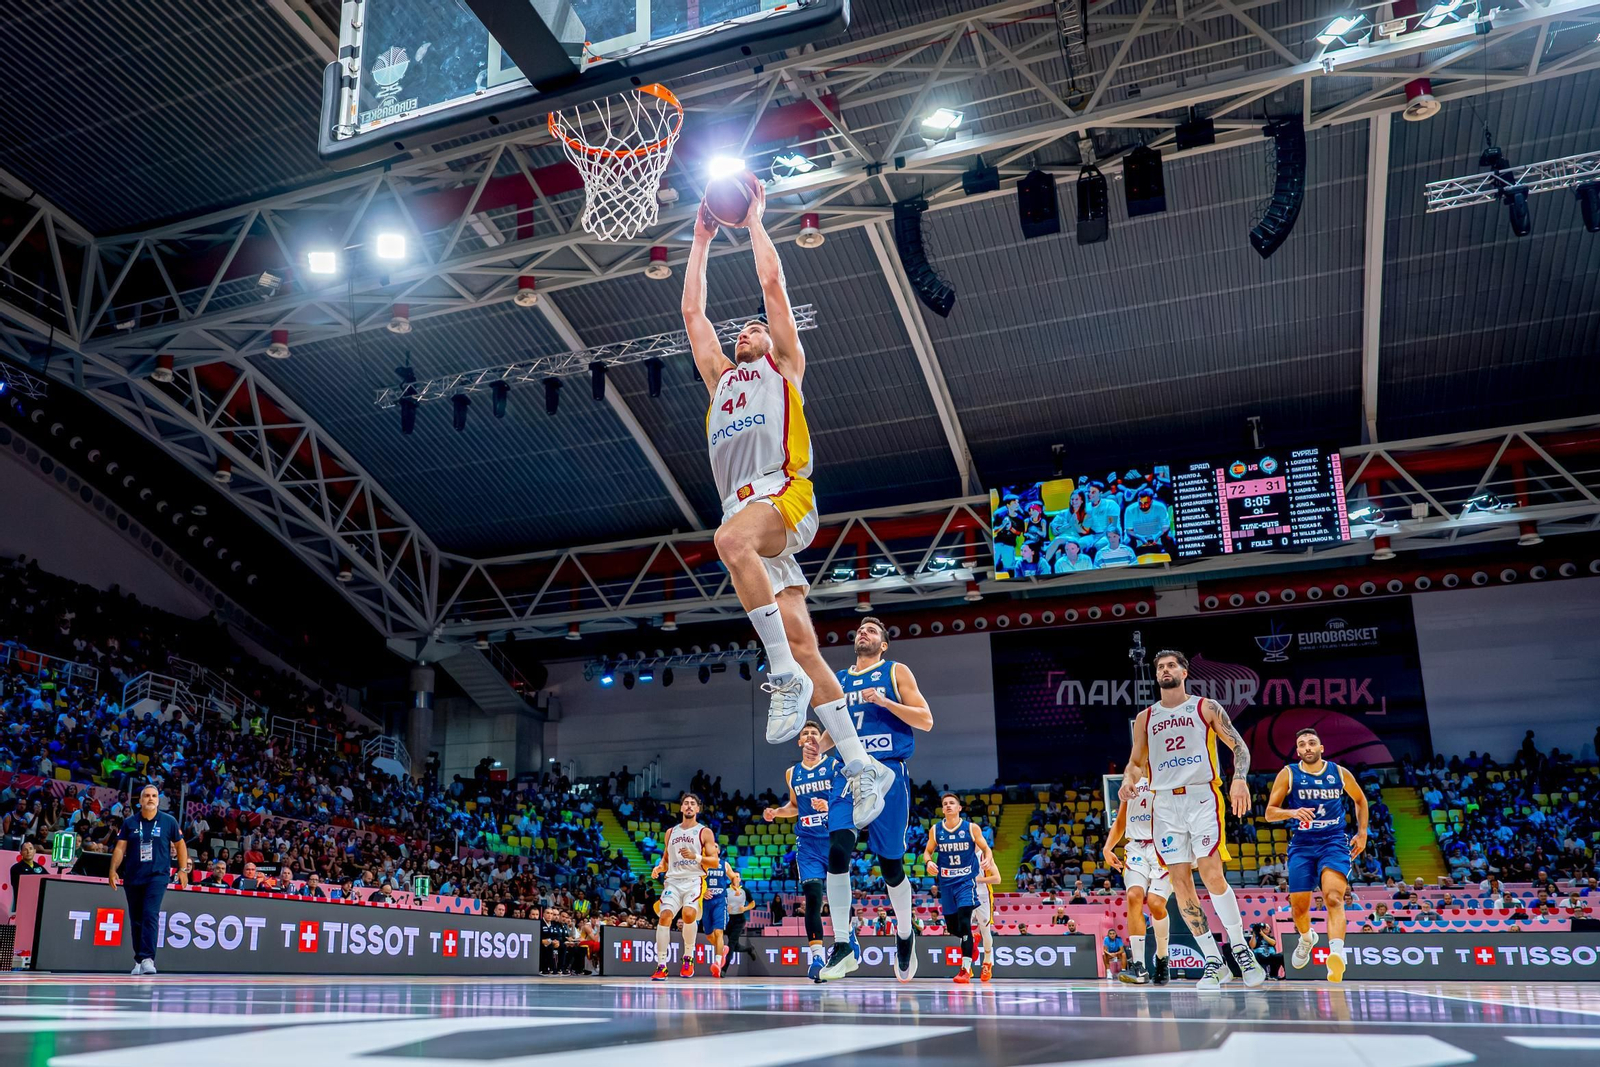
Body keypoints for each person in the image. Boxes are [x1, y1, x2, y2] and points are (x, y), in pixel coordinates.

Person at [683, 189, 893, 830]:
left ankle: (779, 674)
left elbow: (772, 279)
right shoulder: (720, 379)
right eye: (739, 330)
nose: (745, 332)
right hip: (745, 513)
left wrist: (751, 224)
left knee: (728, 544)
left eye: (753, 328)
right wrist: (699, 240)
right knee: (807, 647)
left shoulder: (785, 366)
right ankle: (863, 767)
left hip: (782, 496)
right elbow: (693, 312)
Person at [1119, 649, 1265, 991]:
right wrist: (1128, 779)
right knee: (1181, 885)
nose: (1165, 670)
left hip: (1201, 796)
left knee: (1212, 875)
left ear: (1184, 672)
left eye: (1171, 665)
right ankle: (1214, 961)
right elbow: (1135, 762)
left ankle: (1242, 950)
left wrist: (1239, 777)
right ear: (1156, 675)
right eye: (1160, 667)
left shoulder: (1205, 707)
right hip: (1164, 804)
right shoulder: (1145, 717)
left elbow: (1239, 746)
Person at [817, 617, 933, 983]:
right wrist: (815, 748)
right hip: (849, 772)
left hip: (887, 773)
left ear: (883, 644)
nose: (862, 633)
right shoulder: (840, 679)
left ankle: (903, 931)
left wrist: (884, 702)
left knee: (891, 867)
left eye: (871, 631)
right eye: (859, 630)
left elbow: (926, 719)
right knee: (837, 850)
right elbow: (834, 730)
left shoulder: (896, 671)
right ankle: (842, 946)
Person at [1264, 727, 1369, 983]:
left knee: (1334, 897)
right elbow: (1269, 812)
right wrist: (1292, 812)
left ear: (1322, 748)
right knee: (1299, 909)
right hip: (1302, 845)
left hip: (1334, 841)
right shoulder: (1288, 773)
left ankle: (1336, 955)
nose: (1308, 747)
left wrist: (1363, 833)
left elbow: (1360, 800)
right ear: (1298, 751)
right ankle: (1306, 937)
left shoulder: (1339, 773)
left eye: (1312, 742)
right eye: (1302, 744)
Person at [763, 721, 853, 982]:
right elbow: (794, 806)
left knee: (837, 896)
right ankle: (816, 956)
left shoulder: (834, 765)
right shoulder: (792, 773)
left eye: (815, 732)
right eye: (806, 734)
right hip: (808, 843)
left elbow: (849, 798)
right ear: (800, 742)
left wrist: (829, 804)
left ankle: (847, 936)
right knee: (812, 898)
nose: (811, 736)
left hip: (833, 836)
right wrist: (777, 812)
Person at [108, 784, 189, 976]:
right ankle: (138, 959)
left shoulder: (169, 821)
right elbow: (120, 848)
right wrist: (112, 870)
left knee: (150, 914)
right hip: (133, 876)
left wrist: (183, 869)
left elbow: (181, 845)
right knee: (136, 919)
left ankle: (147, 958)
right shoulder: (129, 822)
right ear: (140, 800)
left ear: (158, 800)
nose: (150, 799)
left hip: (157, 876)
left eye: (154, 796)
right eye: (146, 796)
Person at [1103, 768, 1172, 985]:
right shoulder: (1130, 778)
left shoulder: (1167, 772)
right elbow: (1121, 820)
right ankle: (1139, 966)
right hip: (1136, 848)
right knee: (1133, 896)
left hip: (1165, 847)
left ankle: (1162, 957)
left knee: (1155, 904)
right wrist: (1107, 848)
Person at [922, 792, 996, 985]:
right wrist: (928, 861)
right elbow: (927, 851)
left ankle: (965, 969)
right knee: (953, 927)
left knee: (964, 923)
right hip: (946, 883)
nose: (948, 806)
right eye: (945, 803)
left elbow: (986, 848)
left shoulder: (971, 828)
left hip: (966, 882)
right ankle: (972, 939)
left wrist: (988, 857)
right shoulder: (936, 830)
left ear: (959, 808)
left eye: (952, 803)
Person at [649, 793, 717, 981]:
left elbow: (714, 862)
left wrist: (695, 857)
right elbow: (666, 858)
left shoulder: (704, 832)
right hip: (673, 881)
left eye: (692, 804)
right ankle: (661, 965)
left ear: (697, 809)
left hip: (694, 879)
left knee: (688, 914)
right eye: (685, 803)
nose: (688, 806)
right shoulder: (671, 832)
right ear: (680, 808)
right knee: (664, 917)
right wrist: (659, 868)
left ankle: (688, 958)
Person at [700, 853, 741, 979]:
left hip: (720, 901)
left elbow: (734, 876)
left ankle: (717, 963)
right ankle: (722, 949)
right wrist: (702, 891)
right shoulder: (701, 863)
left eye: (716, 846)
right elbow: (694, 881)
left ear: (717, 851)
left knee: (718, 932)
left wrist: (735, 885)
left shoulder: (724, 864)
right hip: (705, 902)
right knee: (708, 935)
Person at [974, 851, 1002, 983]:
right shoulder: (962, 852)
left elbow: (997, 879)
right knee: (962, 930)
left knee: (985, 930)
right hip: (965, 894)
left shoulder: (985, 856)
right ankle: (966, 965)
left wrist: (977, 880)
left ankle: (987, 963)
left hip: (983, 896)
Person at [10, 840, 45, 914]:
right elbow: (18, 886)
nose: (28, 851)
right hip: (22, 906)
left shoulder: (40, 867)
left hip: (38, 904)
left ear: (34, 851)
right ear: (21, 853)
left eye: (31, 849)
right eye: (25, 849)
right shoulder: (15, 868)